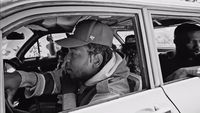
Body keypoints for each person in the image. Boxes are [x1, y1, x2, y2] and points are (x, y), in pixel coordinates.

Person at [4, 19, 142, 112]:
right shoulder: (87, 71)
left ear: (96, 60)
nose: (65, 61)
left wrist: (68, 94)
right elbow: (55, 79)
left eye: (74, 54)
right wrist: (19, 78)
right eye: (67, 53)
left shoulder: (112, 95)